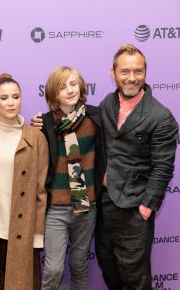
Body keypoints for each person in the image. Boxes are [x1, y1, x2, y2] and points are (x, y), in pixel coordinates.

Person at [96, 44, 178, 290]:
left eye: (138, 71)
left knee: (135, 280)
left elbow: (163, 168)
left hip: (134, 210)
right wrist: (47, 121)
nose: (131, 78)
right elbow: (82, 121)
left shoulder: (160, 116)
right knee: (110, 271)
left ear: (145, 73)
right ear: (113, 74)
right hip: (104, 206)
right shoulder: (106, 104)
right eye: (125, 71)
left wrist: (145, 208)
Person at [32, 67, 105, 290]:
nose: (70, 90)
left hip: (86, 207)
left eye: (73, 84)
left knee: (78, 263)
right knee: (53, 269)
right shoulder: (43, 124)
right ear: (54, 94)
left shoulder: (96, 118)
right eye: (63, 87)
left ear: (81, 86)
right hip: (56, 209)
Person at [0, 74, 48, 290]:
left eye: (15, 97)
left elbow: (40, 189)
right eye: (4, 97)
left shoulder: (36, 137)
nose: (10, 102)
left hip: (21, 224)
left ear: (21, 99)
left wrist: (37, 231)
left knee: (16, 282)